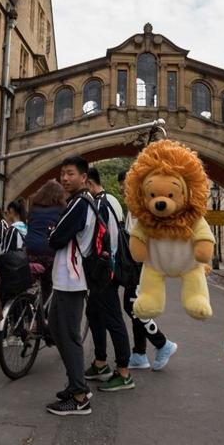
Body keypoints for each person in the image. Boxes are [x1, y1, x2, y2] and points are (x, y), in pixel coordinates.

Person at [44, 156, 98, 416]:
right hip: (65, 278)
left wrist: (52, 232)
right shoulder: (78, 202)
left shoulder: (79, 203)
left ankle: (79, 396)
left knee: (68, 335)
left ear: (84, 177)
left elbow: (55, 238)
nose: (65, 178)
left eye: (70, 174)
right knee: (56, 328)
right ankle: (75, 384)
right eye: (62, 174)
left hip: (72, 280)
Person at [117, 168, 177, 371]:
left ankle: (162, 343)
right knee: (136, 306)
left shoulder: (143, 205)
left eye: (124, 183)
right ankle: (139, 354)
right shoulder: (135, 206)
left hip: (142, 263)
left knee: (132, 306)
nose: (121, 188)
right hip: (139, 261)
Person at [83, 168, 135, 392]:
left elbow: (100, 240)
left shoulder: (99, 205)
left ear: (89, 183)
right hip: (109, 269)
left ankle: (123, 372)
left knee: (113, 318)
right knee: (94, 313)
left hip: (105, 271)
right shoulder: (112, 200)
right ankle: (101, 362)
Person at [25, 179, 66, 301]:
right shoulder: (61, 210)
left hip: (30, 250)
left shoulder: (33, 209)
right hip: (49, 252)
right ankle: (46, 314)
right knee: (49, 284)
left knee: (33, 281)